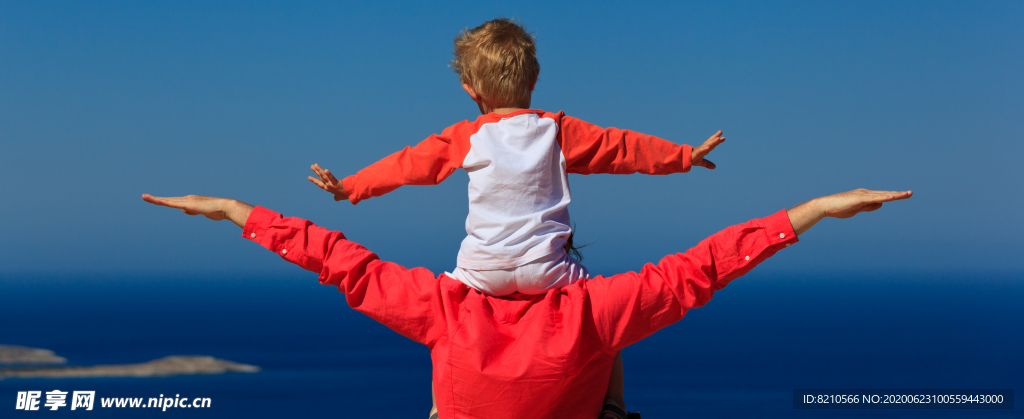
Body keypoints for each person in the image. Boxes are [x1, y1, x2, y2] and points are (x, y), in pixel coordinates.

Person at [142, 187, 911, 419]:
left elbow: (340, 261)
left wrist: (237, 213)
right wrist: (805, 214)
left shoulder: (443, 307)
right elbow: (699, 270)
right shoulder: (596, 310)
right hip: (594, 365)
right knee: (615, 343)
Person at [305, 18, 726, 418]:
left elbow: (408, 165)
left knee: (443, 327)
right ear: (534, 80)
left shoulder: (466, 136)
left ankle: (442, 409)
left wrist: (352, 187)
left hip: (481, 272)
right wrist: (683, 156)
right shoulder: (557, 131)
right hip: (548, 272)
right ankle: (609, 407)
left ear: (471, 91)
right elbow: (621, 149)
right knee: (604, 325)